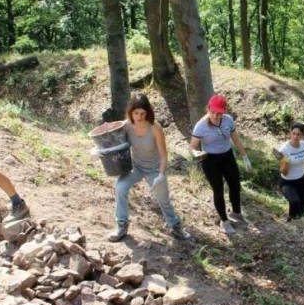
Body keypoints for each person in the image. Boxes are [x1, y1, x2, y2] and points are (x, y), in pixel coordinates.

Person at [107, 95, 190, 242]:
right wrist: (100, 151)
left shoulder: (155, 127)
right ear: (131, 112)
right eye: (136, 113)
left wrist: (161, 174)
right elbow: (112, 142)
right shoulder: (126, 126)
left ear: (148, 112)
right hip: (136, 166)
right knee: (120, 187)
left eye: (142, 113)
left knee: (163, 199)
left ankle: (176, 226)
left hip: (155, 168)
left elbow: (164, 155)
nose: (139, 117)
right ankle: (121, 225)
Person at [190, 94, 252, 236]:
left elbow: (235, 138)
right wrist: (196, 153)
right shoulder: (201, 126)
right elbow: (192, 146)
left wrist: (245, 156)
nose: (216, 115)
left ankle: (236, 212)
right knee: (218, 190)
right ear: (208, 108)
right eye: (213, 112)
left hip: (227, 156)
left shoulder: (228, 120)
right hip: (210, 159)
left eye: (219, 113)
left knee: (235, 184)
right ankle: (224, 221)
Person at [274, 123, 304, 221]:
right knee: (294, 201)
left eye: (298, 134)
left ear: (302, 135)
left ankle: (298, 220)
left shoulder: (303, 144)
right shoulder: (284, 149)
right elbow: (283, 172)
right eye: (293, 133)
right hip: (287, 181)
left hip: (301, 179)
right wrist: (286, 162)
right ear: (290, 133)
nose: (295, 136)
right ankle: (291, 221)